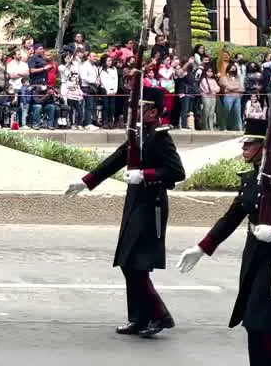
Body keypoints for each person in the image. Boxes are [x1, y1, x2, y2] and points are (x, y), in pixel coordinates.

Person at [177, 118, 271, 366]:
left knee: (259, 322)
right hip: (255, 255)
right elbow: (232, 216)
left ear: (264, 148)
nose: (243, 149)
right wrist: (202, 247)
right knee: (256, 324)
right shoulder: (251, 179)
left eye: (248, 145)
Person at [65, 86, 186, 338]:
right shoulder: (139, 134)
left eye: (142, 107)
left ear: (153, 111)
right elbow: (116, 159)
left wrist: (145, 174)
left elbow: (177, 172)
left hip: (151, 204)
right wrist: (86, 181)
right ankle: (139, 318)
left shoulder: (161, 137)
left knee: (137, 264)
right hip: (135, 203)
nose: (137, 112)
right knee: (128, 263)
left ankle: (160, 315)